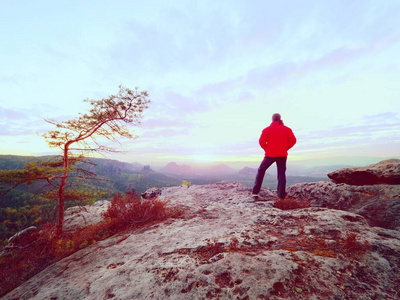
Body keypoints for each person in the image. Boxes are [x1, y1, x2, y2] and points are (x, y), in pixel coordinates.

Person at [252, 113, 296, 199]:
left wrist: (267, 149)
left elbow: (261, 142)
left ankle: (255, 192)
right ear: (280, 119)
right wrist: (285, 148)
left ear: (272, 119)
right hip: (282, 155)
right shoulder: (287, 129)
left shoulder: (267, 130)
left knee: (261, 170)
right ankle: (281, 196)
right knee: (281, 174)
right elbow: (293, 140)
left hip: (270, 154)